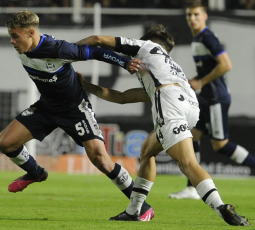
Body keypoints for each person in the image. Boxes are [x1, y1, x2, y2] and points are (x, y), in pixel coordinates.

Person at [76, 24, 249, 225]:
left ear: (148, 41)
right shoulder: (168, 67)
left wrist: (64, 51)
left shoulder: (147, 46)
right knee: (147, 151)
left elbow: (97, 39)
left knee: (188, 163)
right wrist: (88, 86)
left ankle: (221, 207)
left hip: (170, 103)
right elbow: (122, 97)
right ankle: (134, 210)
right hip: (191, 105)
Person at [0, 9, 154, 221]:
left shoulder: (58, 49)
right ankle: (36, 173)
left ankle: (142, 207)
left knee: (102, 161)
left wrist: (124, 62)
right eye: (11, 36)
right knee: (5, 143)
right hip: (46, 108)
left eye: (15, 36)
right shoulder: (24, 49)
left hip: (75, 110)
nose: (12, 41)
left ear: (31, 32)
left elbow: (95, 51)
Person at [168, 0, 255, 200]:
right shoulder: (198, 38)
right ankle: (192, 188)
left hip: (216, 98)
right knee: (192, 135)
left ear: (205, 16)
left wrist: (201, 81)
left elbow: (226, 65)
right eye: (189, 15)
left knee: (221, 145)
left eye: (196, 14)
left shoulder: (207, 37)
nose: (192, 18)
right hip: (207, 98)